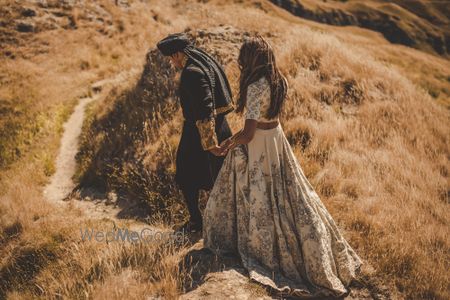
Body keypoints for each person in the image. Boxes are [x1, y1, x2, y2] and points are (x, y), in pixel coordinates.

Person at [203, 35, 363, 298]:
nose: (241, 63)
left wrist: (229, 143)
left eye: (244, 58)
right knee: (289, 195)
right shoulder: (280, 81)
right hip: (277, 139)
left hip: (260, 145)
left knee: (260, 196)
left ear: (252, 59)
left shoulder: (256, 86)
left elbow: (249, 133)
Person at [156, 33, 234, 232]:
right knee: (216, 176)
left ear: (178, 54)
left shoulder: (192, 72)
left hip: (200, 133)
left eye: (172, 57)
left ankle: (197, 221)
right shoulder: (208, 63)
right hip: (221, 127)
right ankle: (219, 221)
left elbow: (205, 107)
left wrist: (210, 144)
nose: (172, 62)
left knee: (186, 175)